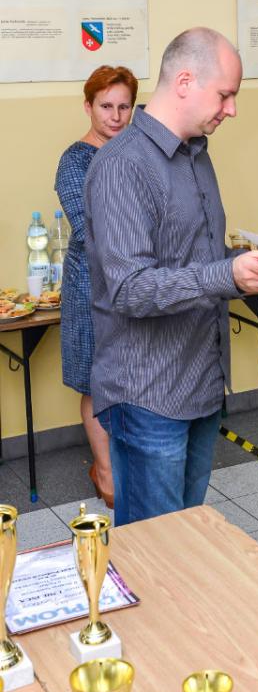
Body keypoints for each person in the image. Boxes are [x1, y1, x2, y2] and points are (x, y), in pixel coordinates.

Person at [84, 27, 258, 528]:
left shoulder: (196, 153)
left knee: (187, 540)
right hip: (148, 394)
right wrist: (227, 275)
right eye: (225, 95)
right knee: (155, 547)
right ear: (184, 81)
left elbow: (195, 257)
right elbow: (130, 288)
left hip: (201, 381)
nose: (232, 109)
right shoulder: (121, 166)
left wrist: (250, 266)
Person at [55, 65, 138, 509]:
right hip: (91, 287)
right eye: (106, 106)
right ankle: (104, 469)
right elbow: (89, 230)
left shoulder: (138, 152)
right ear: (88, 106)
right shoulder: (75, 160)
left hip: (137, 284)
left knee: (133, 376)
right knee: (95, 380)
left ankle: (128, 464)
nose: (116, 116)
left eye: (124, 106)